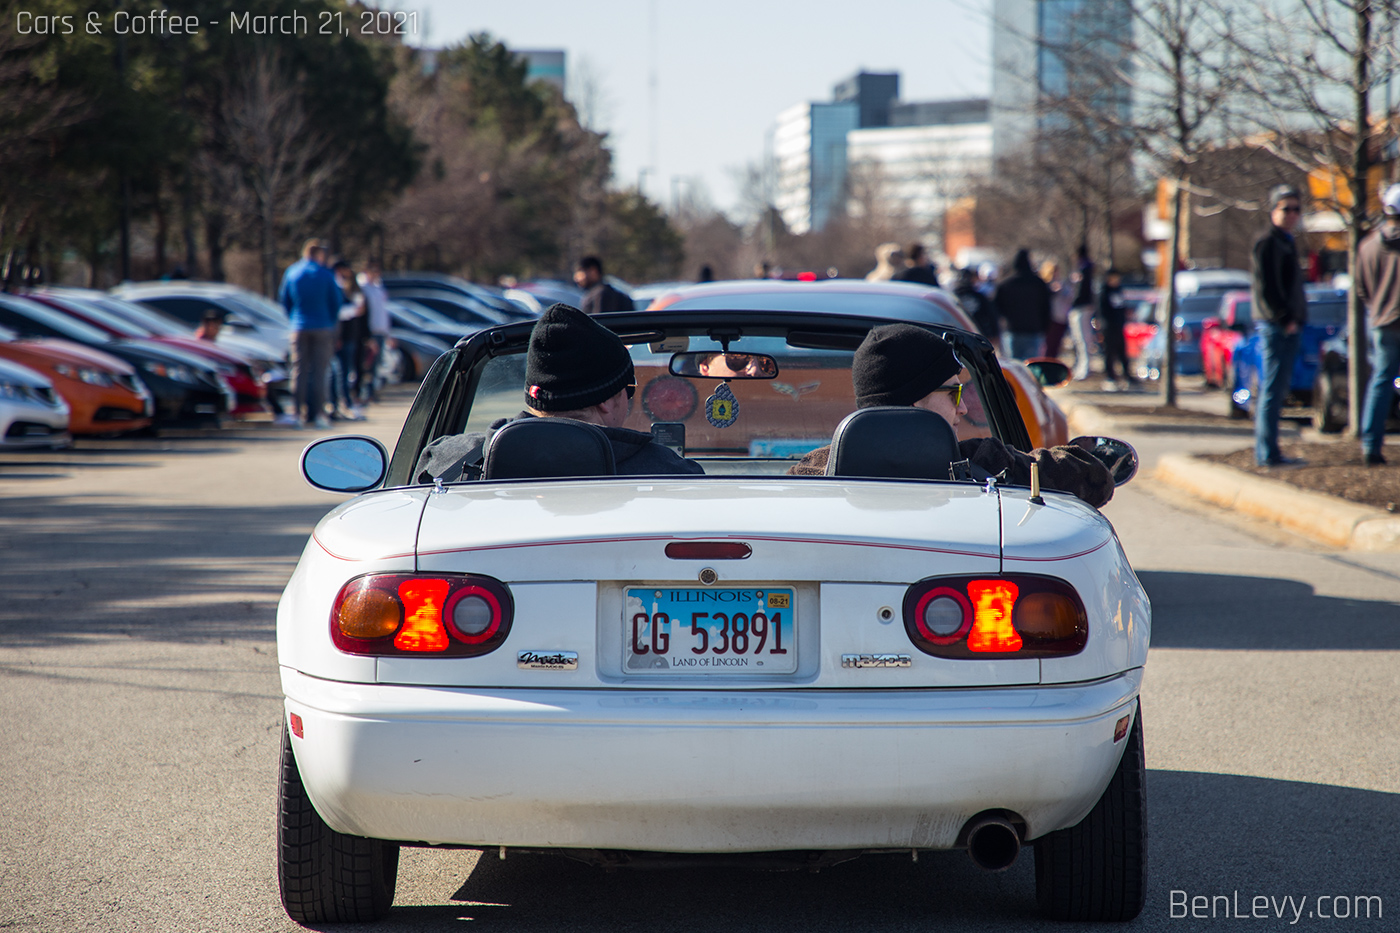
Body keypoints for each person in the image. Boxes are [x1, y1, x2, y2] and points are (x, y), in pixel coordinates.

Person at [788, 324, 1116, 507]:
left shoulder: (810, 474)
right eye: (954, 392)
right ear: (914, 402)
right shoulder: (985, 463)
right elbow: (1094, 483)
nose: (963, 408)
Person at [412, 303, 704, 483]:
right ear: (607, 400)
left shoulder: (445, 462)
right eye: (629, 390)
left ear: (533, 396)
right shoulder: (672, 476)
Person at [1251, 184, 1308, 467]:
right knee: (1271, 391)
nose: (1292, 214)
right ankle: (1267, 453)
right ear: (1273, 210)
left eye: (1296, 209)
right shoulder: (1267, 242)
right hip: (1276, 327)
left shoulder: (1287, 241)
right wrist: (1286, 319)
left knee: (1278, 390)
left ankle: (1271, 451)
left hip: (1288, 326)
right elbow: (1267, 288)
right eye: (1286, 208)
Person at [1354, 183, 1400, 466]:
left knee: (1381, 382)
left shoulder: (1367, 245)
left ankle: (1370, 444)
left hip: (1381, 322)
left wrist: (1378, 307)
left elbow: (1361, 289)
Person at [278, 238, 343, 429]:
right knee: (320, 371)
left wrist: (294, 319)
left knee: (299, 370)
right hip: (322, 326)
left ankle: (297, 413)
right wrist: (330, 322)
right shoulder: (325, 274)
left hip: (299, 326)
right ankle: (319, 414)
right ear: (318, 254)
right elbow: (336, 302)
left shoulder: (293, 272)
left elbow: (285, 300)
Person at [993, 248, 1052, 359]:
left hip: (1012, 329)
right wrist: (1044, 327)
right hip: (1034, 329)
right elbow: (1046, 307)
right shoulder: (1038, 283)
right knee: (1031, 366)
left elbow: (997, 308)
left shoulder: (1005, 284)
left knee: (1014, 367)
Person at [332, 260, 367, 421]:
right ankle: (341, 403)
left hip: (351, 336)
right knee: (340, 373)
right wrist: (354, 309)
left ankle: (345, 402)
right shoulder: (335, 287)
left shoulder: (350, 288)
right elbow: (337, 313)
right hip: (341, 337)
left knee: (346, 372)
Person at [357, 259, 392, 404]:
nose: (376, 274)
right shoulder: (363, 288)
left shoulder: (379, 288)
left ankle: (372, 392)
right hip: (370, 331)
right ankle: (362, 392)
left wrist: (388, 332)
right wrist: (367, 334)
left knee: (376, 364)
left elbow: (384, 311)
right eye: (373, 271)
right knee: (367, 364)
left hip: (380, 330)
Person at [1097, 268, 1134, 389]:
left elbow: (1121, 307)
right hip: (1108, 327)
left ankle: (1127, 375)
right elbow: (1102, 311)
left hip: (1119, 327)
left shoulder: (1119, 290)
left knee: (1122, 352)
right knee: (1109, 353)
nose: (1116, 280)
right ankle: (1110, 377)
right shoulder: (1104, 292)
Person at [1068, 245, 1097, 381]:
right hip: (1082, 307)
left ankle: (1084, 368)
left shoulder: (1084, 269)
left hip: (1081, 308)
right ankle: (1081, 367)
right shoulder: (1086, 268)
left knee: (1082, 339)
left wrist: (1074, 302)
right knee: (1080, 340)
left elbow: (1081, 291)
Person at [953, 267, 999, 343]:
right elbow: (991, 315)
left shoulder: (953, 297)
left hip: (959, 335)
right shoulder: (979, 296)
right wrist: (994, 334)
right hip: (978, 334)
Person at [1041, 260, 1072, 358]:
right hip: (1049, 319)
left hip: (1061, 318)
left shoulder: (1062, 284)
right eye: (1052, 271)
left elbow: (1070, 297)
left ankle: (1052, 363)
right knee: (1047, 346)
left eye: (1056, 271)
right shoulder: (1043, 285)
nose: (1055, 274)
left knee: (1056, 345)